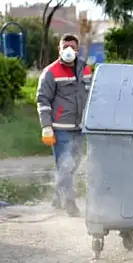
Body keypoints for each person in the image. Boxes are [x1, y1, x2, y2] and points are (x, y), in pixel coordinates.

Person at [36, 34, 92, 217]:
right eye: (65, 46)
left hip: (80, 127)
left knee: (73, 164)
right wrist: (46, 126)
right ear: (59, 49)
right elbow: (43, 100)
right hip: (60, 129)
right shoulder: (50, 72)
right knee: (65, 165)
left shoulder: (85, 69)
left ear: (77, 50)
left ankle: (57, 197)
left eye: (72, 47)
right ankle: (70, 203)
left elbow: (92, 95)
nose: (69, 50)